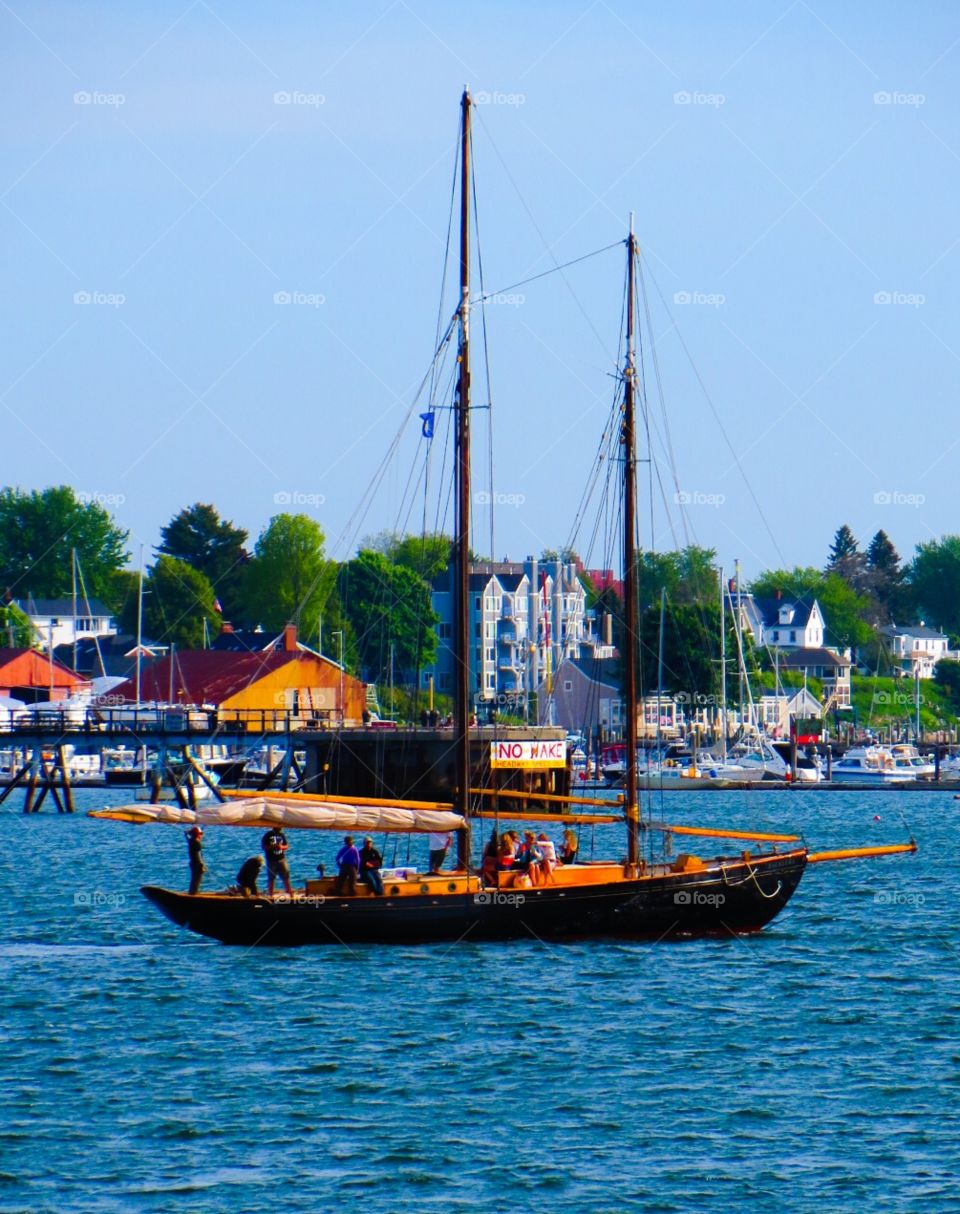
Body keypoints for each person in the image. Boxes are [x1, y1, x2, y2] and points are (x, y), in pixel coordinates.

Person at [261, 825, 294, 897]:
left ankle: (290, 894)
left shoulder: (282, 835)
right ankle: (271, 894)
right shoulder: (268, 835)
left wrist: (281, 847)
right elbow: (263, 847)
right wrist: (272, 846)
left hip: (282, 859)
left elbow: (286, 846)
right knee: (271, 878)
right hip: (271, 860)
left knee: (286, 877)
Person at [185, 825, 205, 895]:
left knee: (193, 880)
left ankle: (191, 893)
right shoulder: (197, 843)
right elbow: (198, 855)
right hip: (197, 864)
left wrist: (186, 834)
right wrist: (202, 865)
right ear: (198, 835)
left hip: (192, 864)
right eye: (200, 834)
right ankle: (193, 894)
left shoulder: (191, 841)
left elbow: (187, 838)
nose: (201, 836)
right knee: (197, 880)